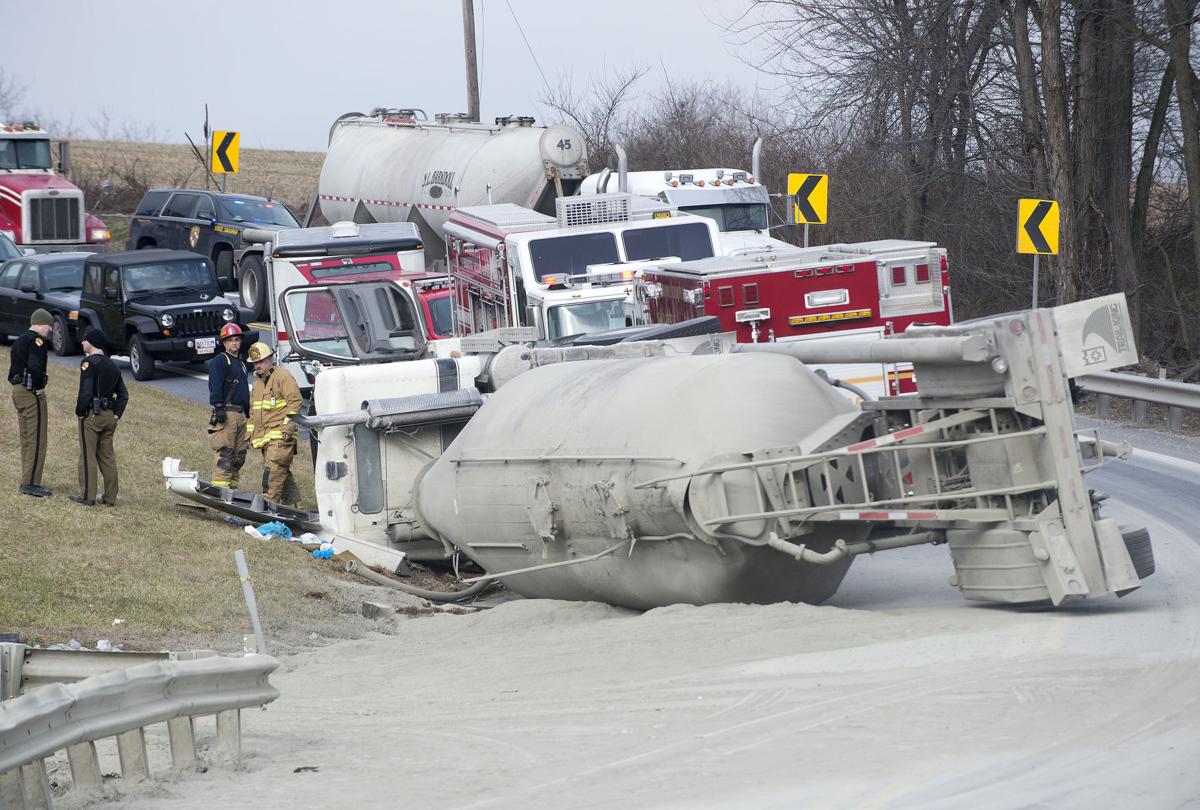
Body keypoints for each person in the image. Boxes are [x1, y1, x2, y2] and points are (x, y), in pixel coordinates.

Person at [71, 329, 128, 506]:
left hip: (92, 416)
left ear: (92, 342)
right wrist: (116, 415)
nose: (82, 343)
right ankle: (110, 497)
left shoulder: (88, 363)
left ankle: (87, 496)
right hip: (109, 417)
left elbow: (86, 391)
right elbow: (123, 394)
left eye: (85, 340)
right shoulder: (113, 365)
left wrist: (80, 412)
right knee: (107, 457)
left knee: (88, 456)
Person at [245, 341, 303, 506]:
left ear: (270, 359)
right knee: (281, 472)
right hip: (265, 439)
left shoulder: (282, 376)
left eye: (261, 361)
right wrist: (249, 433)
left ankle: (269, 504)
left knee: (272, 472)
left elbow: (295, 402)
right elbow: (253, 412)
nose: (258, 365)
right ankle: (292, 506)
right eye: (255, 362)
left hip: (280, 437)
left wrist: (288, 426)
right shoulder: (258, 384)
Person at [7, 308, 53, 497]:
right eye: (49, 325)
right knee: (37, 439)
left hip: (17, 391)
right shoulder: (37, 341)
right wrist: (39, 386)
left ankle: (27, 478)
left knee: (26, 438)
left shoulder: (19, 340)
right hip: (30, 393)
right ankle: (31, 483)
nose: (50, 330)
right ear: (42, 323)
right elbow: (34, 366)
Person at [207, 323, 251, 488]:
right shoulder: (220, 360)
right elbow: (215, 385)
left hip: (241, 415)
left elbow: (244, 391)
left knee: (238, 457)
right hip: (227, 414)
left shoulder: (241, 364)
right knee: (225, 456)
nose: (234, 343)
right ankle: (220, 496)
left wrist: (249, 413)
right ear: (223, 342)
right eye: (230, 340)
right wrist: (218, 407)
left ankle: (231, 493)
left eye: (237, 339)